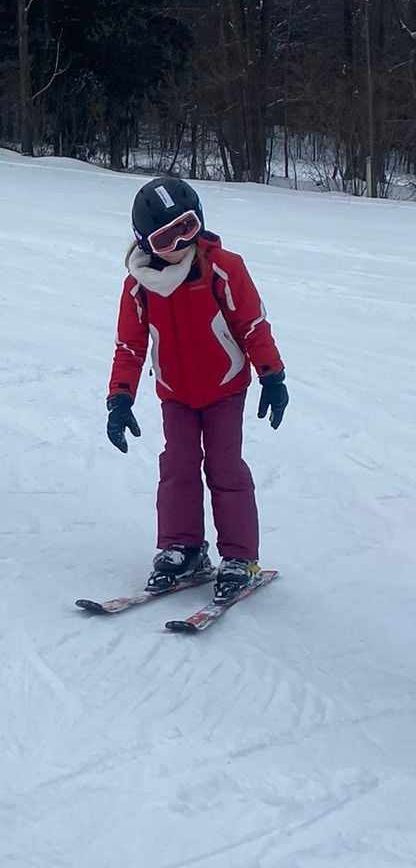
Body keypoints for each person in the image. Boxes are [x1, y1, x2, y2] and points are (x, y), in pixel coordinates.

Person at [107, 176, 288, 603]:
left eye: (187, 228)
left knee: (225, 468)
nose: (180, 243)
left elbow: (252, 324)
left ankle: (240, 557)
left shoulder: (223, 267)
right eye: (166, 238)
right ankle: (183, 547)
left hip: (224, 386)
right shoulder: (139, 285)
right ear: (145, 242)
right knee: (178, 467)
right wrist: (120, 399)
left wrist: (272, 375)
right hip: (175, 392)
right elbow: (129, 346)